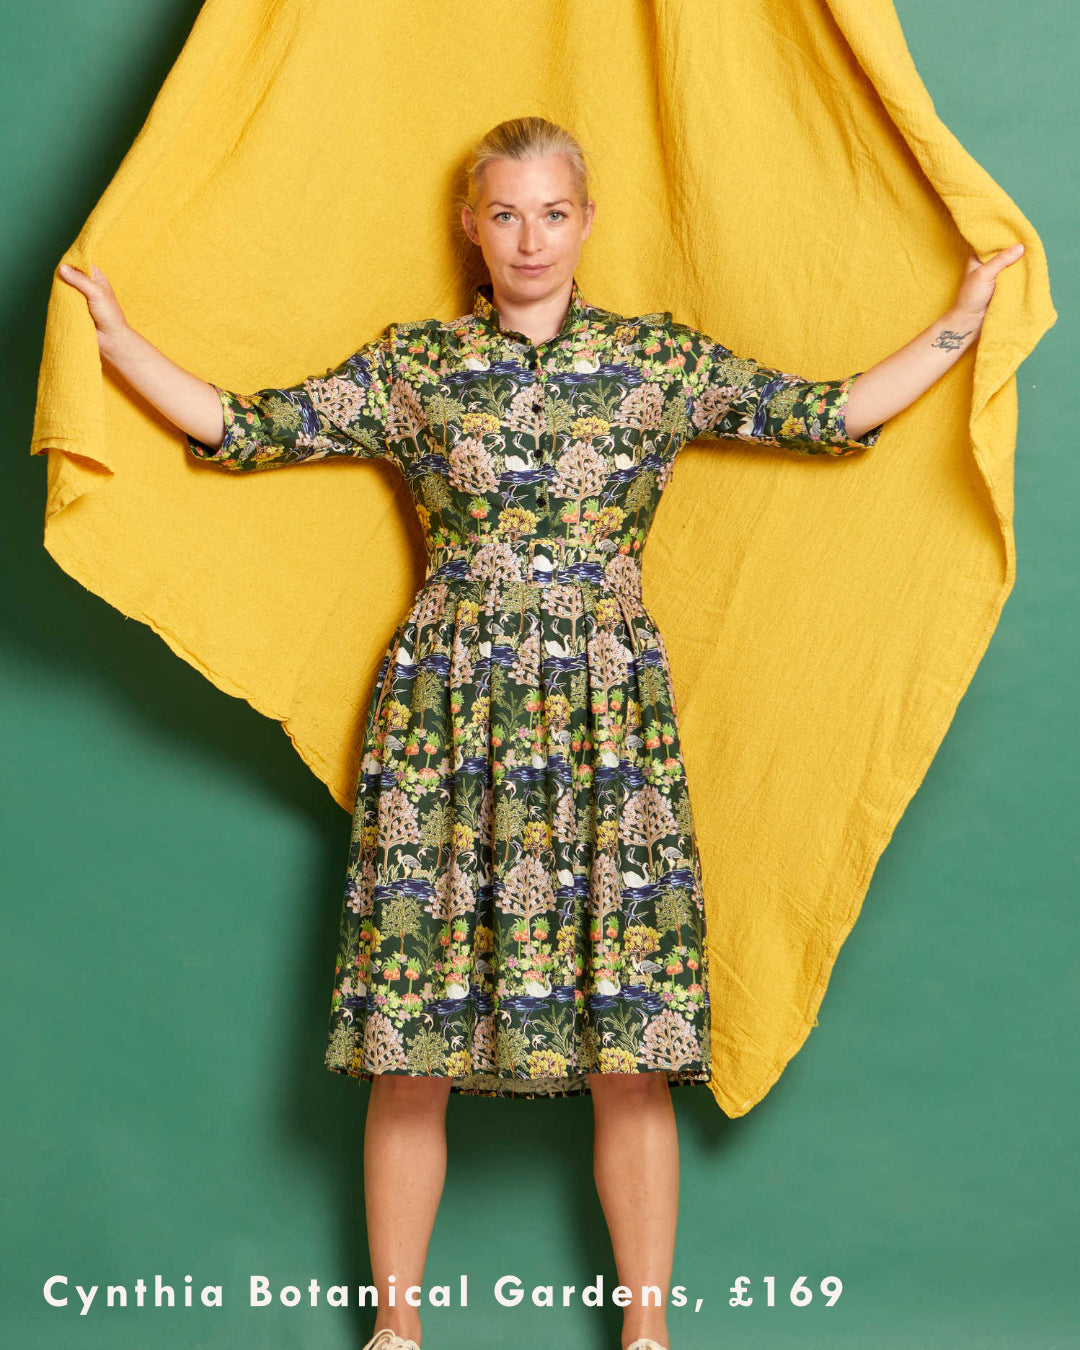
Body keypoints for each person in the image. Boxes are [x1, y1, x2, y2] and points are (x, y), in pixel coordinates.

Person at [59, 115, 1023, 1350]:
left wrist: (963, 319)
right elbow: (247, 428)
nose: (530, 237)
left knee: (634, 1036)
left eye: (553, 213)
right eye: (505, 212)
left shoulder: (653, 364)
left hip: (607, 716)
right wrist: (116, 341)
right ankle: (397, 1333)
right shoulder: (417, 368)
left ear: (587, 222)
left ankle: (647, 1333)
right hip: (446, 714)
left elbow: (826, 414)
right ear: (473, 223)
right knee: (413, 1036)